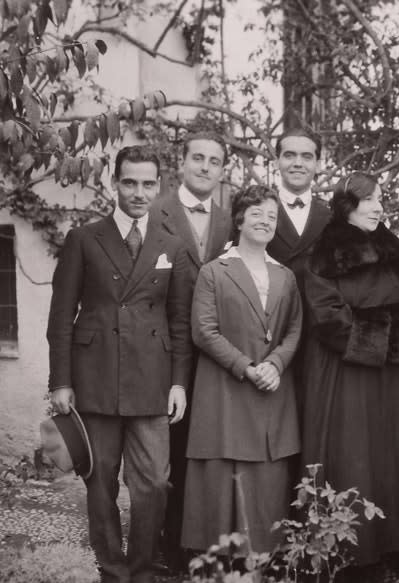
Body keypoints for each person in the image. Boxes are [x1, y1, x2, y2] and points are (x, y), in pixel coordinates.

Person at [47, 145, 192, 583]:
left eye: (149, 183)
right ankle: (112, 570)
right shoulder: (84, 238)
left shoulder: (173, 245)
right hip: (95, 378)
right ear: (115, 183)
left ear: (160, 186)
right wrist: (61, 381)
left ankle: (143, 569)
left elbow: (180, 321)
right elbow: (61, 316)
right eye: (130, 182)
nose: (139, 192)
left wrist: (179, 383)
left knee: (153, 484)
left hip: (152, 380)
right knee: (101, 481)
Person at [301, 172, 399, 568]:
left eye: (380, 199)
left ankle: (393, 550)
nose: (377, 207)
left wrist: (387, 335)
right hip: (345, 375)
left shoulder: (395, 251)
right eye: (368, 200)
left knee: (389, 455)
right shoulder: (325, 256)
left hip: (390, 376)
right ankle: (349, 556)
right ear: (347, 207)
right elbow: (329, 318)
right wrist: (385, 336)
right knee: (351, 456)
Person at [181, 185, 302, 554]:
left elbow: (295, 328)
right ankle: (218, 570)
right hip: (225, 394)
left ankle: (263, 566)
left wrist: (277, 364)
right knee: (220, 484)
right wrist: (247, 367)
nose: (265, 221)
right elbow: (204, 331)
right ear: (239, 220)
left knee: (266, 487)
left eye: (271, 216)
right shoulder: (214, 271)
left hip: (272, 394)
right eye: (257, 214)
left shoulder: (286, 276)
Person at [153, 131, 233, 571]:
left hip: (214, 353)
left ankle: (198, 544)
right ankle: (164, 547)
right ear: (181, 163)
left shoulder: (227, 220)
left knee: (203, 452)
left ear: (223, 170)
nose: (205, 167)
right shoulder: (155, 211)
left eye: (214, 161)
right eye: (197, 158)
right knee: (165, 454)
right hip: (164, 349)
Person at [266, 127, 331, 289]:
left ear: (317, 165)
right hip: (271, 311)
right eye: (289, 156)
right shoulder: (256, 213)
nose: (298, 164)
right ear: (276, 162)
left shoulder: (331, 218)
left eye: (307, 157)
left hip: (318, 312)